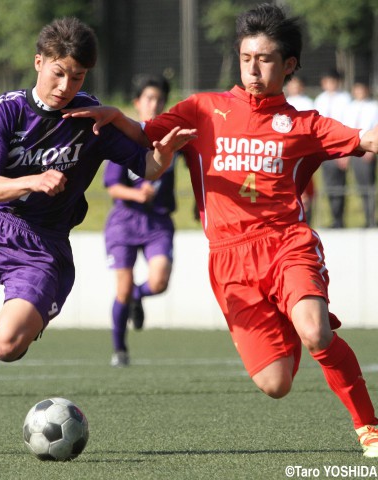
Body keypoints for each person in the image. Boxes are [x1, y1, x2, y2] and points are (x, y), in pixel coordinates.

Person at [65, 3, 378, 457]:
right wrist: (113, 116)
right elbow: (146, 134)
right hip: (230, 261)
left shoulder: (303, 125)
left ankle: (368, 427)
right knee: (275, 384)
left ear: (288, 65)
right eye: (247, 57)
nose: (253, 68)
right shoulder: (204, 109)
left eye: (266, 59)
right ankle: (295, 320)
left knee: (316, 333)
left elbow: (365, 139)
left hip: (287, 245)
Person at [0, 17, 196, 456]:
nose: (65, 84)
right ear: (39, 62)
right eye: (58, 72)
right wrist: (33, 181)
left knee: (8, 345)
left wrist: (163, 153)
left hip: (42, 247)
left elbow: (148, 167)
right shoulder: (6, 109)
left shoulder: (89, 117)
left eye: (76, 76)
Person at [104, 75, 175, 367]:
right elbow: (112, 187)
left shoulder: (172, 136)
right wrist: (137, 194)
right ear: (137, 102)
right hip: (124, 222)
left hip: (157, 222)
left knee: (158, 282)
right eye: (149, 98)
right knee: (122, 287)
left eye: (159, 99)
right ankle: (120, 349)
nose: (154, 104)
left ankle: (136, 297)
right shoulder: (124, 139)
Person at [314, 69, 352, 228]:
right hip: (324, 145)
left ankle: (340, 218)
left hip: (340, 142)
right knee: (328, 183)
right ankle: (333, 217)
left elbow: (349, 123)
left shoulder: (345, 99)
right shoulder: (320, 100)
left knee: (340, 184)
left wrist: (346, 152)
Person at [342, 81, 378, 228]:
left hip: (367, 150)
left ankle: (370, 218)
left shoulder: (373, 106)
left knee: (368, 185)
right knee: (356, 186)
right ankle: (360, 218)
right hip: (352, 148)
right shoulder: (349, 108)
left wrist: (371, 150)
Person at [285, 76, 317, 225]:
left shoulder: (308, 104)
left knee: (304, 177)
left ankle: (306, 213)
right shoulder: (283, 103)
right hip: (287, 147)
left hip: (304, 146)